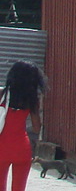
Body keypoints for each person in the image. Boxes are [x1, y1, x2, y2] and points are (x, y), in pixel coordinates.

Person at [0, 61, 46, 191]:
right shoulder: (32, 100)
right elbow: (37, 128)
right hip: (22, 149)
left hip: (1, 148)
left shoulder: (2, 94)